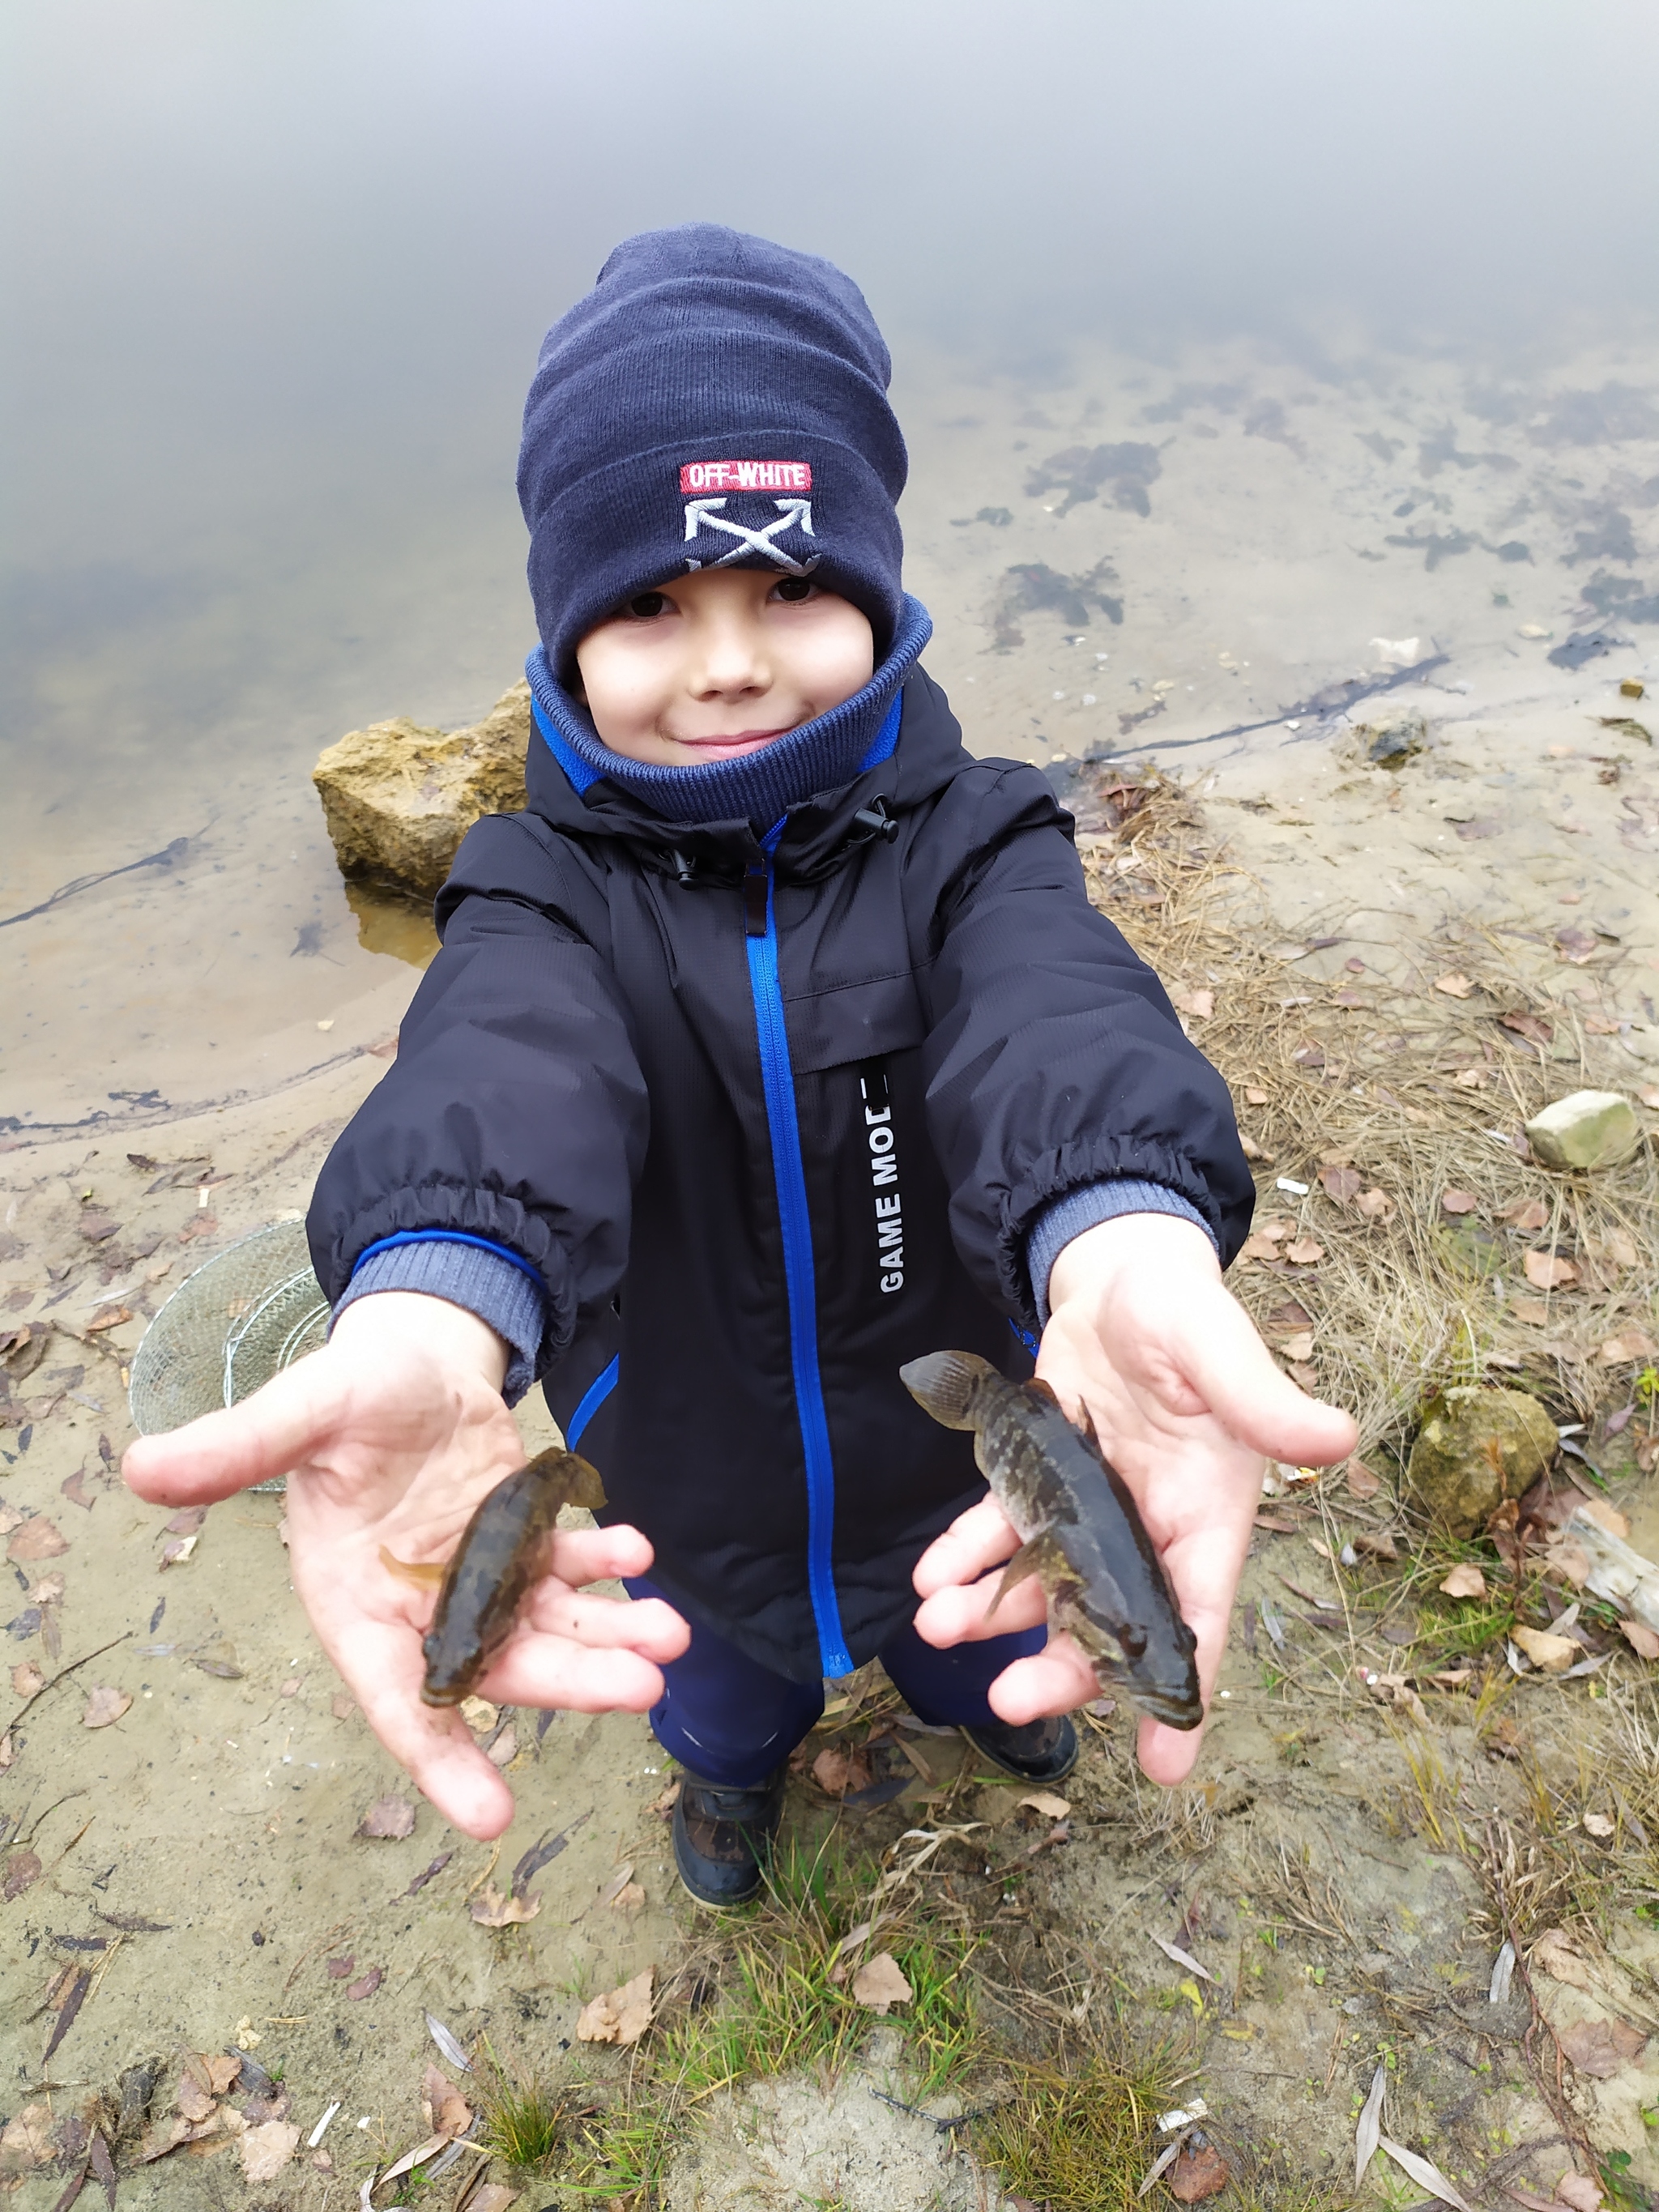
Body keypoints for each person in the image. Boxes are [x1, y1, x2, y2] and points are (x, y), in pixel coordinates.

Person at [125, 226, 1355, 1906]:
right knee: (714, 1693)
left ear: (876, 588)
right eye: (648, 603)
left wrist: (1123, 1230)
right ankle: (726, 1784)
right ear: (566, 637)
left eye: (788, 584)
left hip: (948, 1450)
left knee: (977, 1636)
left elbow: (1055, 1013)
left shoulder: (980, 842)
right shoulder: (533, 889)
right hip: (676, 1477)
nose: (726, 660)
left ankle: (983, 1715)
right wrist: (429, 1299)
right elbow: (500, 1065)